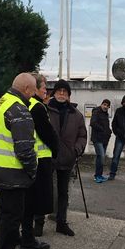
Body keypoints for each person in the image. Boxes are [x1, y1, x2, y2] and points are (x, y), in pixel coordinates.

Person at [0, 73, 38, 249]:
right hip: (13, 172)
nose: (34, 95)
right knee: (12, 217)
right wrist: (32, 170)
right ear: (26, 89)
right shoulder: (19, 109)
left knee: (5, 215)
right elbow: (25, 149)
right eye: (33, 90)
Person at [21, 73, 58, 246]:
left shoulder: (24, 104)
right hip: (40, 159)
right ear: (35, 88)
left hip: (28, 158)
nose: (46, 91)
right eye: (44, 87)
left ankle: (26, 234)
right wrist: (57, 149)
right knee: (34, 201)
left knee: (27, 200)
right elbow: (47, 134)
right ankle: (29, 237)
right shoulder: (37, 107)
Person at [46, 79, 87, 236]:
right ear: (54, 93)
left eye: (65, 92)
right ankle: (38, 221)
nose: (62, 94)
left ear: (69, 95)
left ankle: (61, 222)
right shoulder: (45, 110)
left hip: (67, 158)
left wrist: (76, 150)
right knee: (44, 190)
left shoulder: (76, 115)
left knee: (64, 192)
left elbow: (82, 136)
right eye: (59, 91)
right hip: (47, 158)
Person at [90, 99, 112, 183]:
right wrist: (103, 129)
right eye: (104, 104)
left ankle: (99, 175)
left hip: (104, 139)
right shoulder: (96, 112)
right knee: (101, 156)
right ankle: (97, 176)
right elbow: (93, 123)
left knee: (100, 157)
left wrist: (109, 132)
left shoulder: (105, 114)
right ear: (102, 104)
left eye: (107, 106)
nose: (105, 107)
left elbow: (106, 125)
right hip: (97, 138)